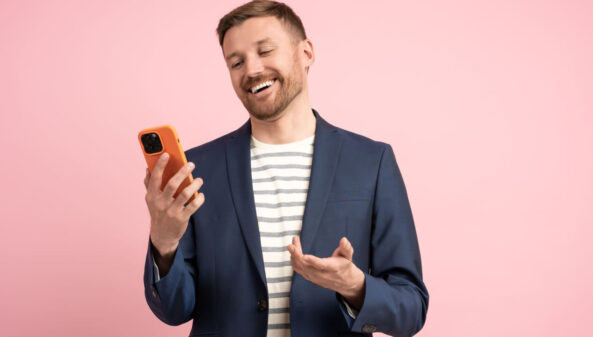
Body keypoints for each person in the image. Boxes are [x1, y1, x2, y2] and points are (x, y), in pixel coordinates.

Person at [142, 1, 429, 336]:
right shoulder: (197, 170)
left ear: (305, 52)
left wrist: (355, 285)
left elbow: (411, 309)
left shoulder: (372, 162)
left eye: (265, 50)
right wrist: (164, 242)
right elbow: (174, 311)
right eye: (236, 62)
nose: (251, 70)